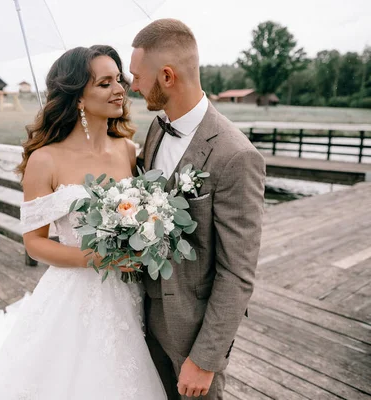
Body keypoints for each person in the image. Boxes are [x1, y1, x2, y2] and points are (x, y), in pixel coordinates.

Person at [0, 45, 167, 399]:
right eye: (104, 83)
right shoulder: (45, 160)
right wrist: (96, 258)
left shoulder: (128, 150)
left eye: (119, 79)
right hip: (79, 293)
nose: (119, 89)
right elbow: (34, 243)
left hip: (130, 291)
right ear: (78, 98)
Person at [130, 19, 266, 399]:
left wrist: (205, 359)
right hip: (141, 319)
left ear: (168, 76)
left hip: (191, 335)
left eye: (138, 76)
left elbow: (238, 271)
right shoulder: (157, 130)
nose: (133, 86)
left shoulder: (236, 156)